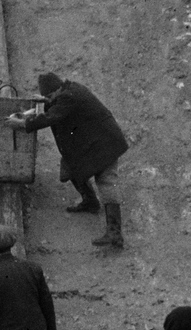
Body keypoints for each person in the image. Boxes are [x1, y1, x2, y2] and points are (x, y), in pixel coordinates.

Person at [8, 73, 129, 249]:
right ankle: (90, 202)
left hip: (106, 143)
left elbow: (52, 117)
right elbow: (57, 106)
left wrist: (22, 124)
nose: (49, 99)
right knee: (70, 168)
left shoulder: (69, 98)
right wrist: (46, 100)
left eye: (49, 96)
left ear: (57, 90)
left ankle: (115, 233)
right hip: (93, 140)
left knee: (106, 181)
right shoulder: (68, 90)